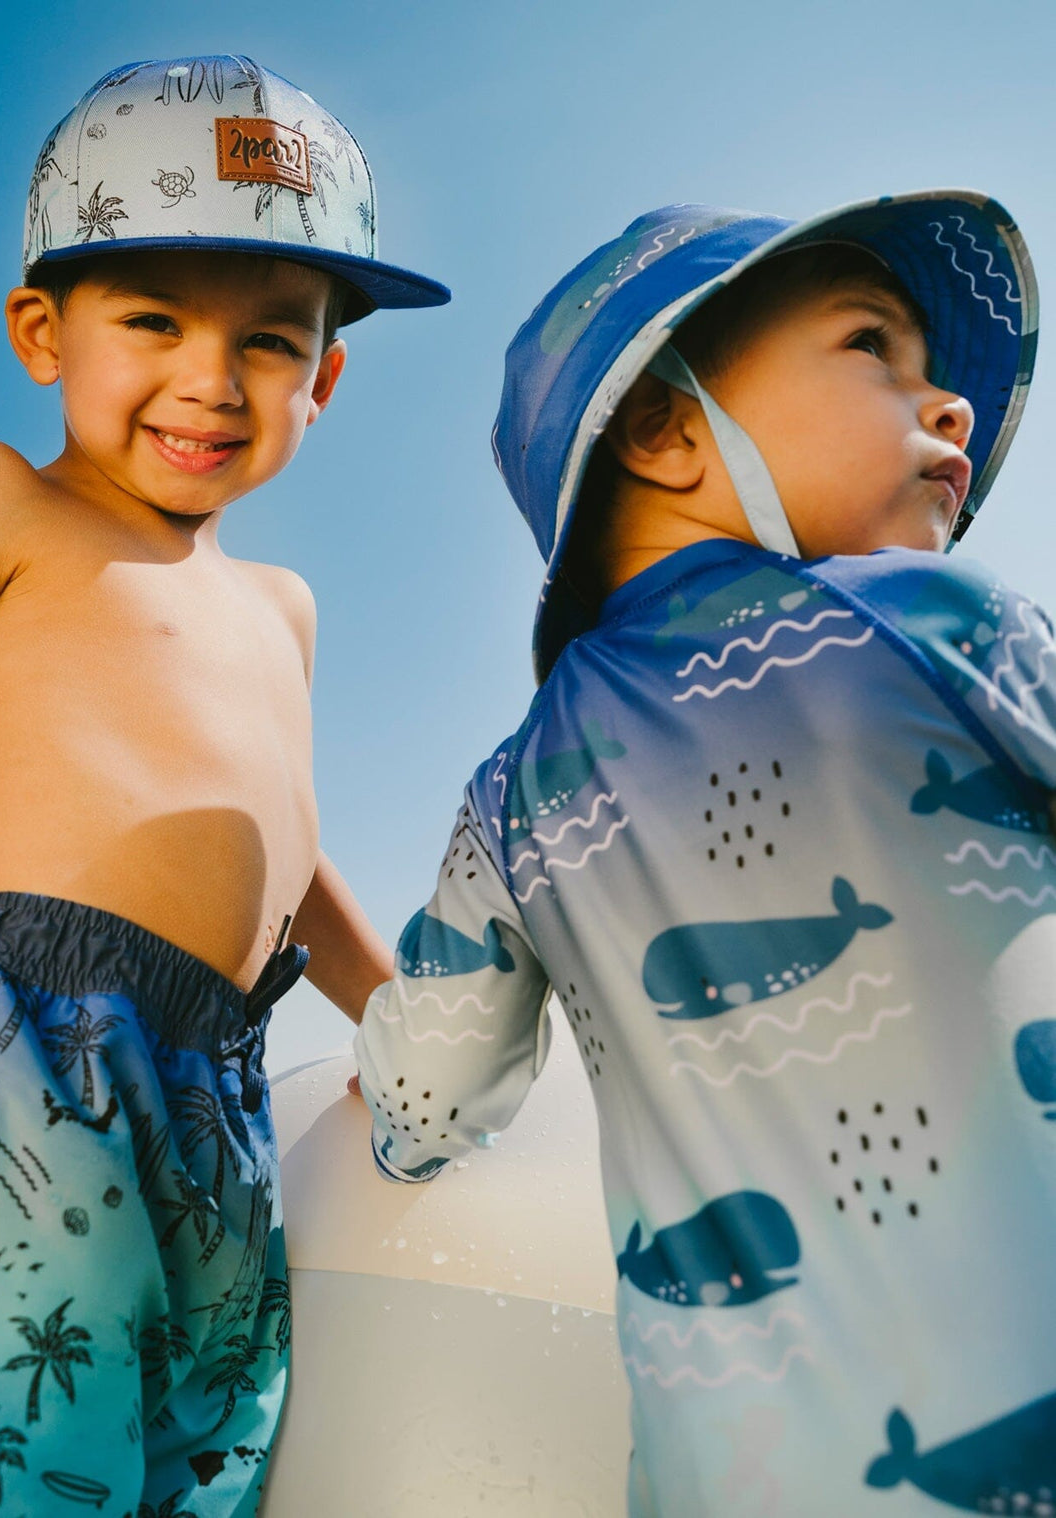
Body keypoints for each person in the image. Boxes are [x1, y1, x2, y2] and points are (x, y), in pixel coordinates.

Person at [353, 192, 1056, 1515]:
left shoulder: (505, 801)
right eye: (874, 348)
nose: (947, 402)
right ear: (668, 431)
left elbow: (425, 1103)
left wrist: (382, 1140)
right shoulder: (934, 618)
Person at [0, 53, 445, 1514]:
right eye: (154, 317)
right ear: (43, 331)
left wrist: (429, 1024)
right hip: (17, 1065)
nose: (210, 379)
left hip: (219, 1097)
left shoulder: (284, 606)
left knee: (198, 1473)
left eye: (271, 339)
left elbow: (287, 867)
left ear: (329, 375)